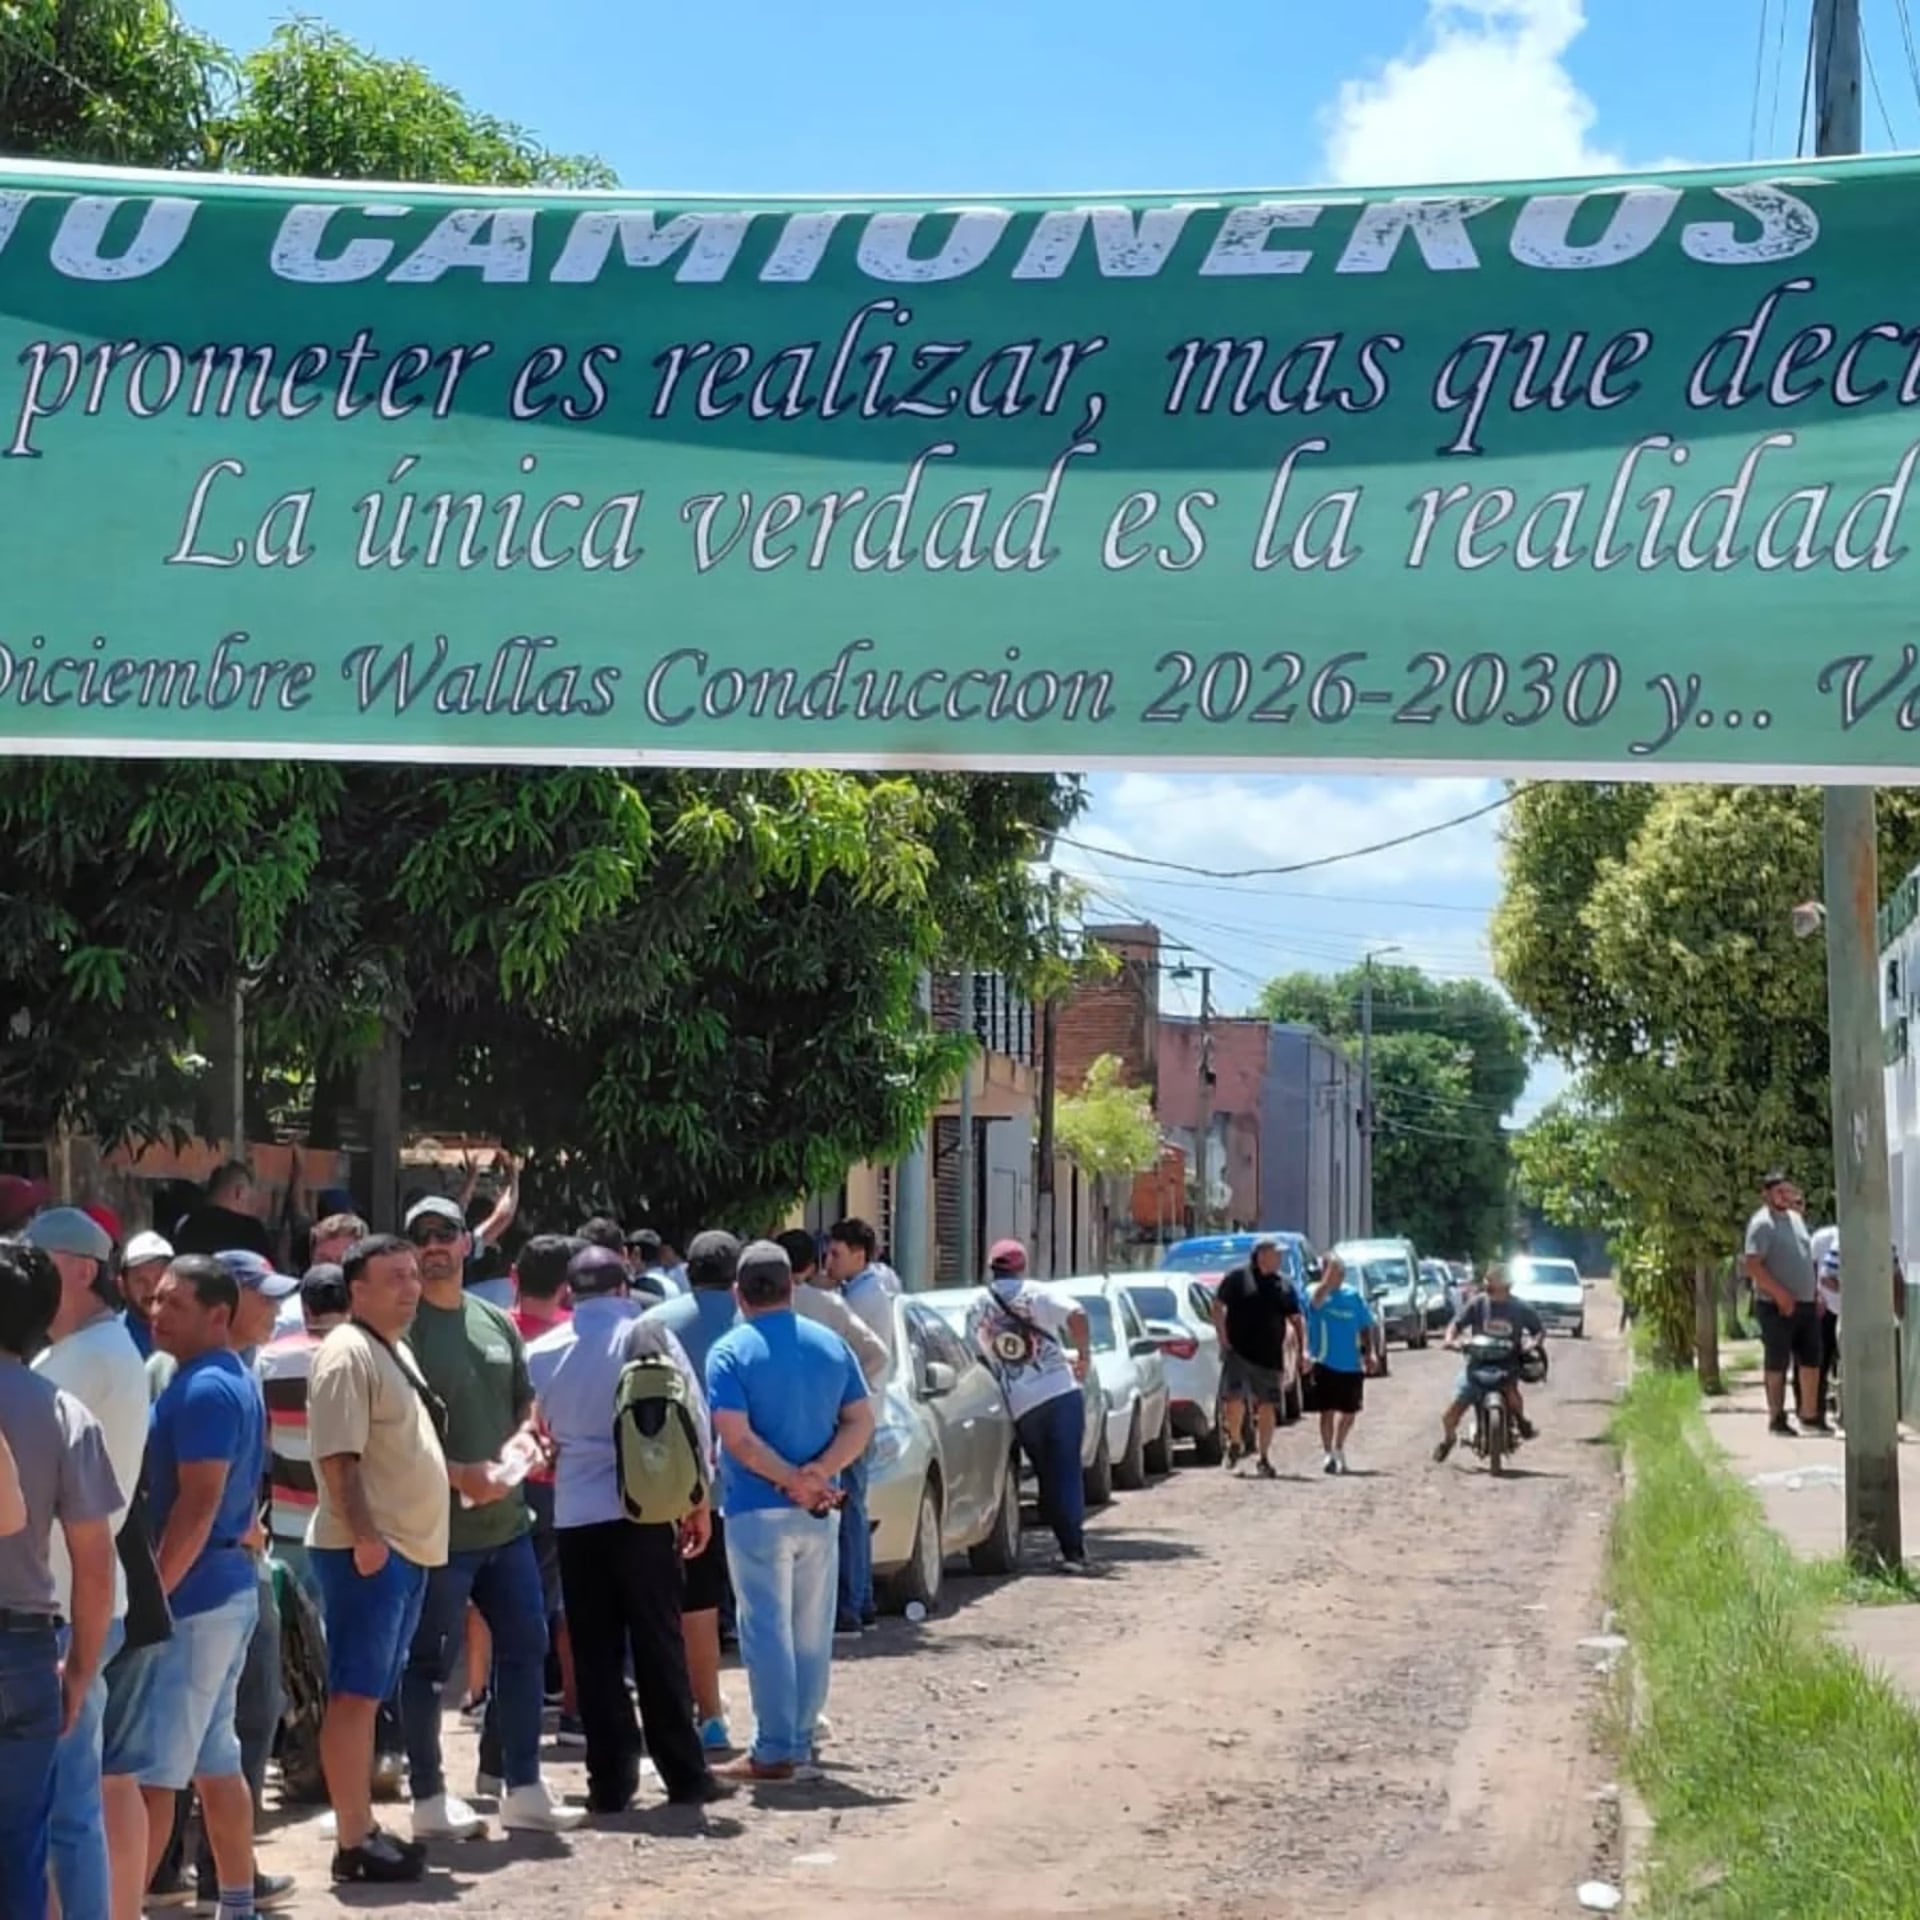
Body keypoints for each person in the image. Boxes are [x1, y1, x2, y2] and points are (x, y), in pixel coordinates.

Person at [399, 1195, 579, 1840]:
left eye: (445, 1232)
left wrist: (528, 1441)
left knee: (526, 1649)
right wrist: (459, 1475)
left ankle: (522, 1785)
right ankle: (426, 1798)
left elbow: (524, 1403)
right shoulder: (402, 1327)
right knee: (426, 1665)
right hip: (437, 1532)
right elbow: (395, 1432)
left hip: (507, 1527)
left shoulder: (492, 1321)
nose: (435, 1245)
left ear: (466, 1242)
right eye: (422, 1235)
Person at [527, 1242, 731, 1813]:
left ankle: (610, 1783)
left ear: (570, 1292)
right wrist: (696, 1501)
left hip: (575, 1515)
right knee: (657, 1643)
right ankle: (685, 1775)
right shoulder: (649, 1336)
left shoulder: (543, 1352)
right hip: (646, 1509)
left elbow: (536, 1430)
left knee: (593, 1652)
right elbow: (690, 1414)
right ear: (623, 1286)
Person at [307, 1233, 449, 1884]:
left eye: (413, 1275)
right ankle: (353, 1838)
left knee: (368, 1695)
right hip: (370, 1551)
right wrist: (366, 1537)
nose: (410, 1287)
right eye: (394, 1277)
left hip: (400, 1551)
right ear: (355, 1288)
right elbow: (339, 1458)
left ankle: (360, 1827)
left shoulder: (389, 1348)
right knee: (355, 1696)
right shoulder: (346, 1353)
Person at [26, 1207, 154, 1920]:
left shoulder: (87, 1357)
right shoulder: (91, 1349)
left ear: (79, 1270)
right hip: (74, 1599)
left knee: (67, 1808)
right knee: (70, 1803)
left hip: (64, 1605)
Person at [708, 1240, 874, 1783]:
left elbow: (737, 1439)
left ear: (739, 1293)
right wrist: (818, 1475)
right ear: (792, 1287)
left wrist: (788, 1480)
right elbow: (861, 1421)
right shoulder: (830, 1345)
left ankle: (774, 1748)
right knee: (810, 1628)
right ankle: (799, 1739)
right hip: (818, 1510)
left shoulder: (730, 1352)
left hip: (756, 1508)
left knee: (765, 1629)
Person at [139, 1254, 270, 1917]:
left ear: (219, 1314)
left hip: (197, 1600)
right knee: (216, 1759)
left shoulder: (205, 1389)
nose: (157, 1312)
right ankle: (238, 1905)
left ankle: (121, 1905)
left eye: (175, 1304)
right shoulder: (223, 1378)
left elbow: (198, 1504)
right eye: (156, 1299)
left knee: (153, 1774)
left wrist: (149, 1599)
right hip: (221, 1588)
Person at [0, 1236, 120, 1918]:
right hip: (23, 1653)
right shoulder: (66, 1415)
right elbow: (94, 1559)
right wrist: (79, 1666)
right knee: (19, 1848)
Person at [642, 1229, 750, 1749]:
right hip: (747, 1490)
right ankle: (724, 1713)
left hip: (667, 1488)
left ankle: (693, 1709)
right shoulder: (752, 1325)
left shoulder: (654, 1325)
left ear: (686, 1272)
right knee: (744, 1606)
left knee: (682, 1606)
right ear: (737, 1278)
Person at [966, 1239, 1093, 1571]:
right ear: (1022, 1265)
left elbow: (975, 1354)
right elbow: (1078, 1314)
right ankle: (1073, 1551)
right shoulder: (1037, 1292)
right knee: (1066, 1469)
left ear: (991, 1266)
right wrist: (1084, 1357)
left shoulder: (977, 1304)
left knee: (1047, 1472)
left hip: (1022, 1405)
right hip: (1060, 1391)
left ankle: (1064, 1539)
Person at [505, 1236, 578, 1747]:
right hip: (563, 1485)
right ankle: (573, 1709)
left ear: (513, 1276)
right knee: (568, 1600)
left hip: (503, 1482)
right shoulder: (573, 1340)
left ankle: (497, 1704)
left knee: (501, 1603)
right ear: (567, 1288)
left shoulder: (496, 1334)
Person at [823, 1218, 893, 1633]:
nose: (829, 1261)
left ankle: (851, 1602)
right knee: (852, 1506)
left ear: (859, 1255)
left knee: (848, 1508)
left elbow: (860, 1355)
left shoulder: (862, 1298)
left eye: (836, 1253)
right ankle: (860, 1598)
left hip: (855, 1419)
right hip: (859, 1414)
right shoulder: (857, 1292)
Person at [1210, 1237, 1303, 1479]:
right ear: (1261, 1255)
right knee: (1234, 1399)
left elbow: (1296, 1319)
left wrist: (1303, 1351)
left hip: (1270, 1357)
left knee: (1267, 1406)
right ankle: (1235, 1442)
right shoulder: (1237, 1279)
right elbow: (1217, 1306)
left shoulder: (1282, 1285)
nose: (1279, 1258)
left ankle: (1263, 1457)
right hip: (1238, 1352)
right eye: (1275, 1253)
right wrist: (1222, 1337)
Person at [1434, 1263, 1545, 1464]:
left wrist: (1532, 1343)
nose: (1489, 1284)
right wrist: (1450, 1339)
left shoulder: (1520, 1308)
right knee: (1450, 1415)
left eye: (1494, 1281)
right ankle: (1449, 1439)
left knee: (1512, 1395)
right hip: (1477, 1365)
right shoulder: (1477, 1304)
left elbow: (1538, 1330)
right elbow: (1456, 1324)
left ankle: (1521, 1422)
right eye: (1488, 1280)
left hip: (1506, 1365)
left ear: (1506, 1284)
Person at [1744, 1171, 1822, 1436]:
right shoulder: (1762, 1224)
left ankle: (1809, 1415)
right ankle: (1776, 1417)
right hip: (1776, 1305)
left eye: (1787, 1191)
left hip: (1806, 1303)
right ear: (1766, 1195)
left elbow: (1807, 1259)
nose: (1784, 1196)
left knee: (1811, 1358)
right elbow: (1753, 1264)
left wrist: (1816, 1292)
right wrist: (1780, 1294)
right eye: (1778, 1191)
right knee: (1777, 1361)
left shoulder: (1797, 1220)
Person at [776, 1229, 891, 1391]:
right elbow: (877, 1355)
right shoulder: (830, 1304)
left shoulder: (754, 1302)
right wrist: (843, 1395)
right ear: (811, 1266)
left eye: (835, 1255)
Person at [1306, 1255, 1376, 1475]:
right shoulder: (1316, 1292)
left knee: (1350, 1411)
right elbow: (1314, 1303)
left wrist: (1369, 1353)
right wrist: (1327, 1281)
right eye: (1334, 1271)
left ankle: (1338, 1446)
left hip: (1351, 1363)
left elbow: (1365, 1326)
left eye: (1340, 1272)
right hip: (1325, 1360)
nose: (1339, 1276)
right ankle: (1328, 1454)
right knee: (1326, 1410)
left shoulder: (1353, 1296)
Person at [171, 1164, 275, 1263]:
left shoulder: (185, 1224)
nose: (251, 1205)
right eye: (250, 1197)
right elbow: (267, 1271)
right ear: (239, 1192)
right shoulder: (250, 1229)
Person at [121, 1229, 174, 1359]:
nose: (152, 1289)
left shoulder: (193, 1333)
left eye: (159, 1278)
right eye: (140, 1281)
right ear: (122, 1286)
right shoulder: (111, 1338)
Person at [1815, 1241, 1842, 1431]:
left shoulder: (1884, 1241)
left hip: (1874, 1317)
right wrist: (1848, 1292)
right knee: (1829, 1362)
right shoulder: (1840, 1243)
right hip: (1837, 1312)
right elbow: (1824, 1277)